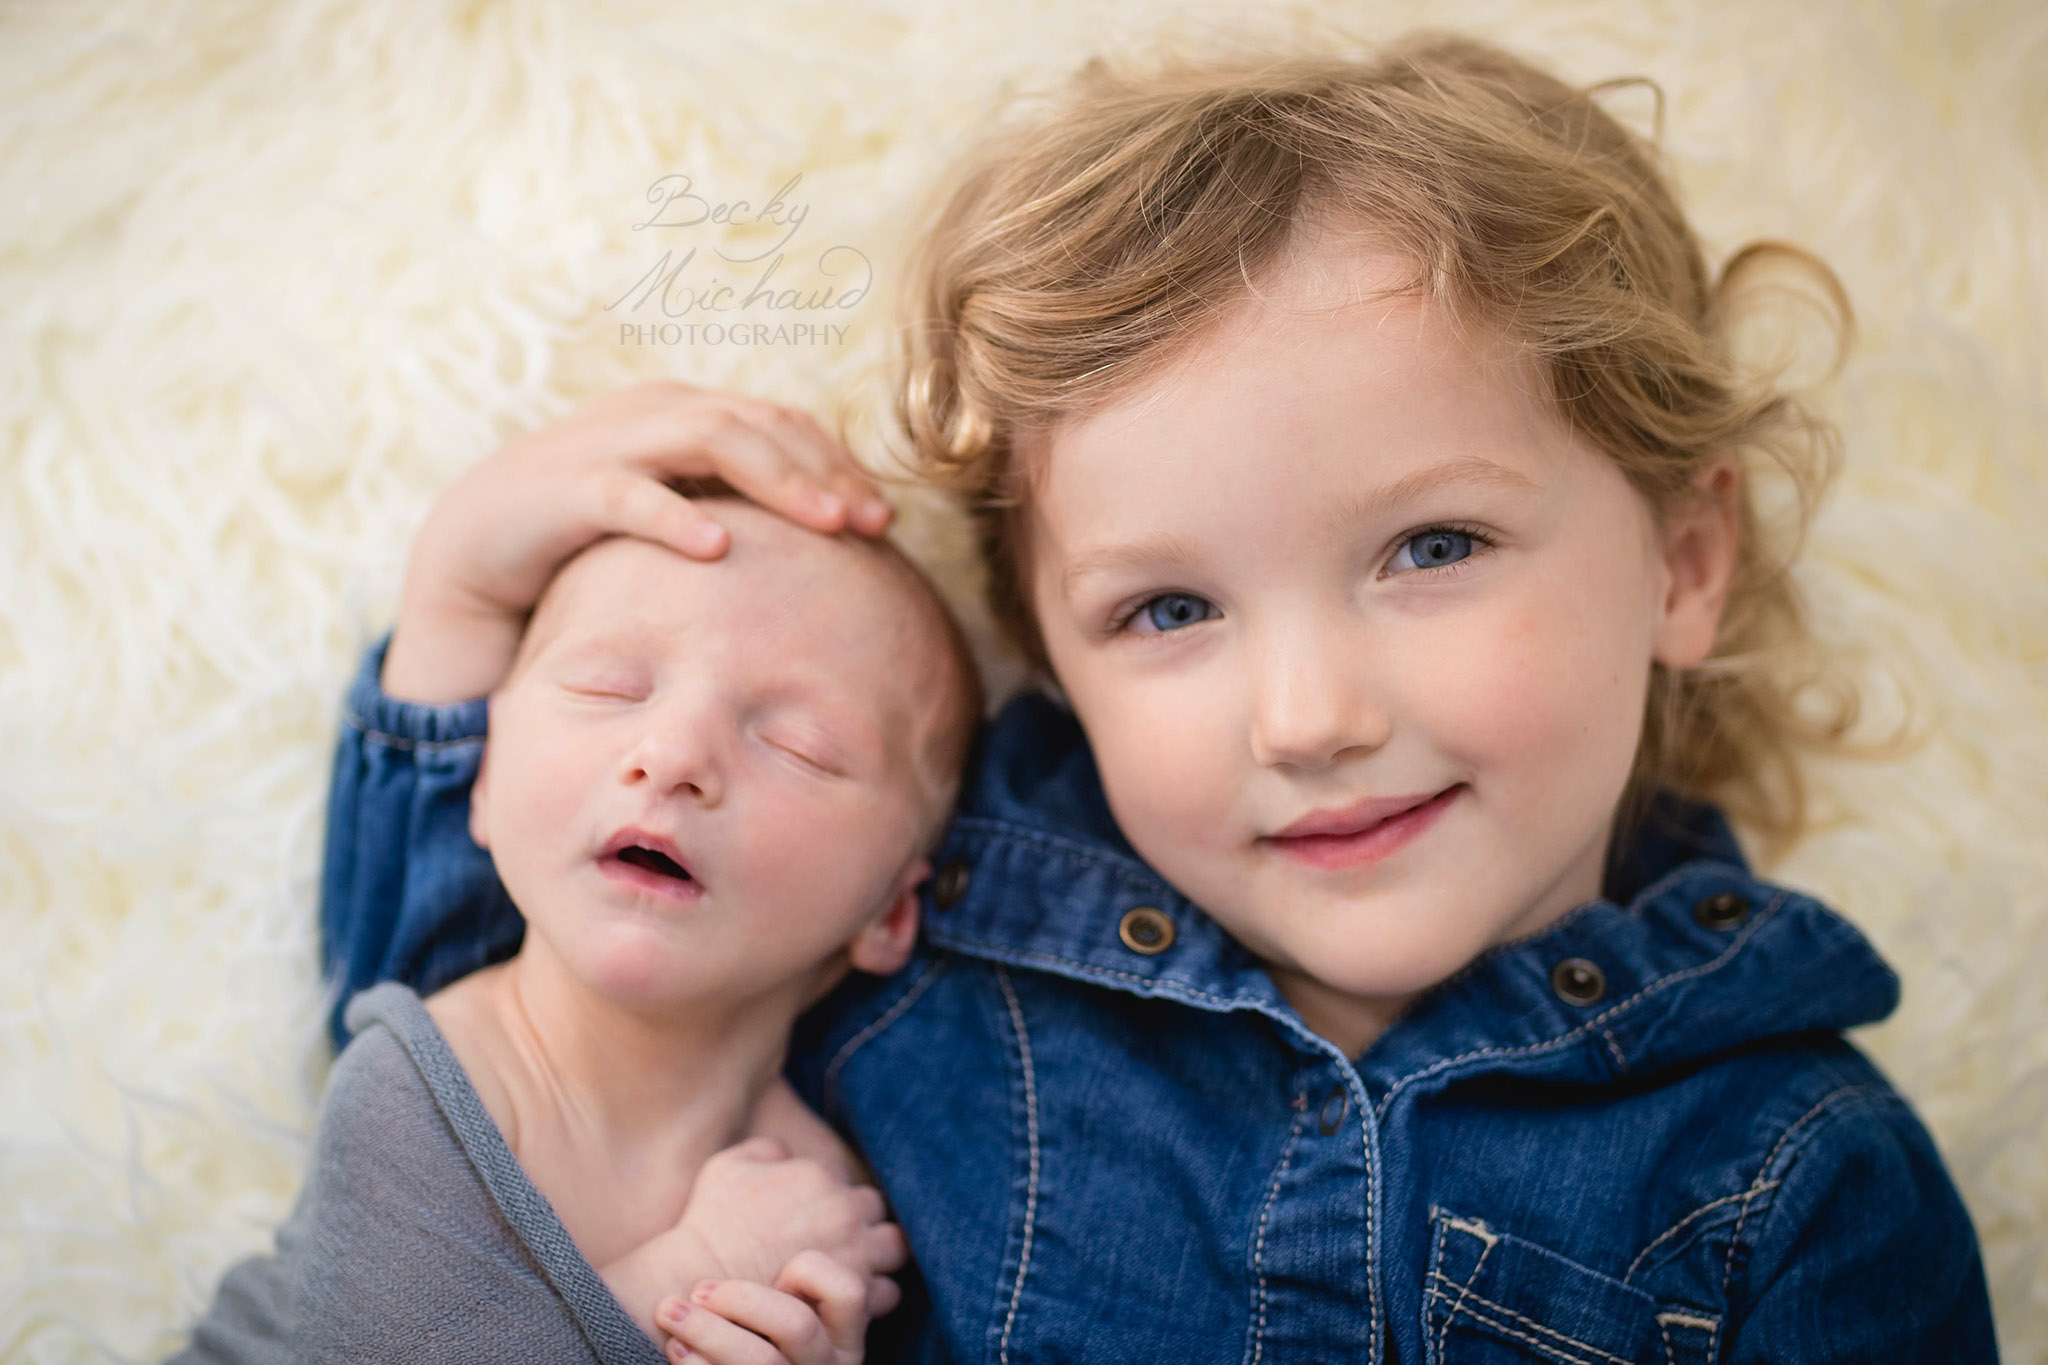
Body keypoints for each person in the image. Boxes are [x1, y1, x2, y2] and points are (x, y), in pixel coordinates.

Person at [296, 32, 1996, 1364]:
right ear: (1051, 650)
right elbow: (497, 1036)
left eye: (1431, 546)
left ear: (1684, 564)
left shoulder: (1801, 1180)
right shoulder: (934, 930)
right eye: (1167, 606)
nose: (1306, 714)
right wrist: (457, 609)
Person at [175, 501, 981, 1365]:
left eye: (800, 745)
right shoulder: (422, 1076)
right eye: (611, 687)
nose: (672, 753)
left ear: (888, 913)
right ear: (481, 783)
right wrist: (695, 1270)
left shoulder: (829, 1205)